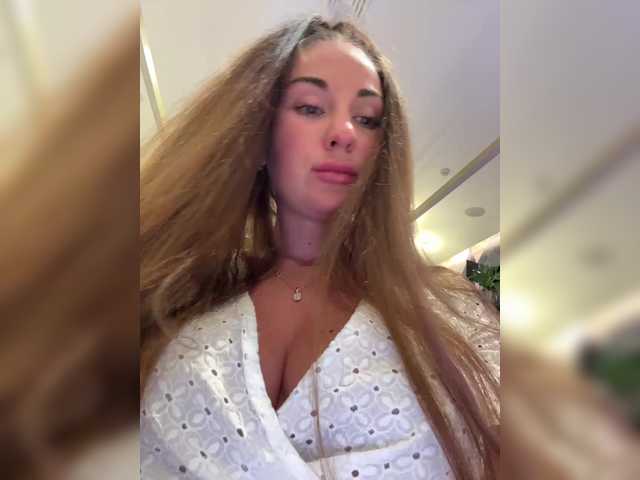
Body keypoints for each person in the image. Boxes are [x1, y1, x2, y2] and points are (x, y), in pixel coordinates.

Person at [140, 16, 499, 479]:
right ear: (260, 136)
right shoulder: (183, 300)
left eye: (367, 119)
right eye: (310, 107)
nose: (345, 132)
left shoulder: (449, 315)